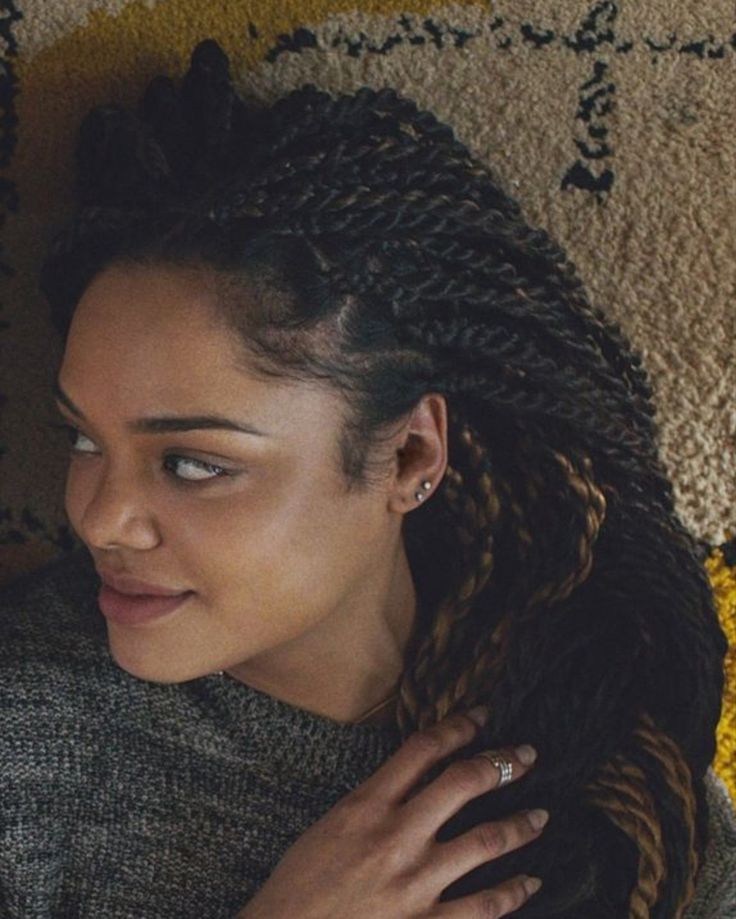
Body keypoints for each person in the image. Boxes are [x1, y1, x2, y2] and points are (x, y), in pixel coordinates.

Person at [1, 37, 734, 918]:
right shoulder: (27, 745)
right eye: (82, 440)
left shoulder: (606, 750)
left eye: (193, 462)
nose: (102, 520)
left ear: (412, 456)